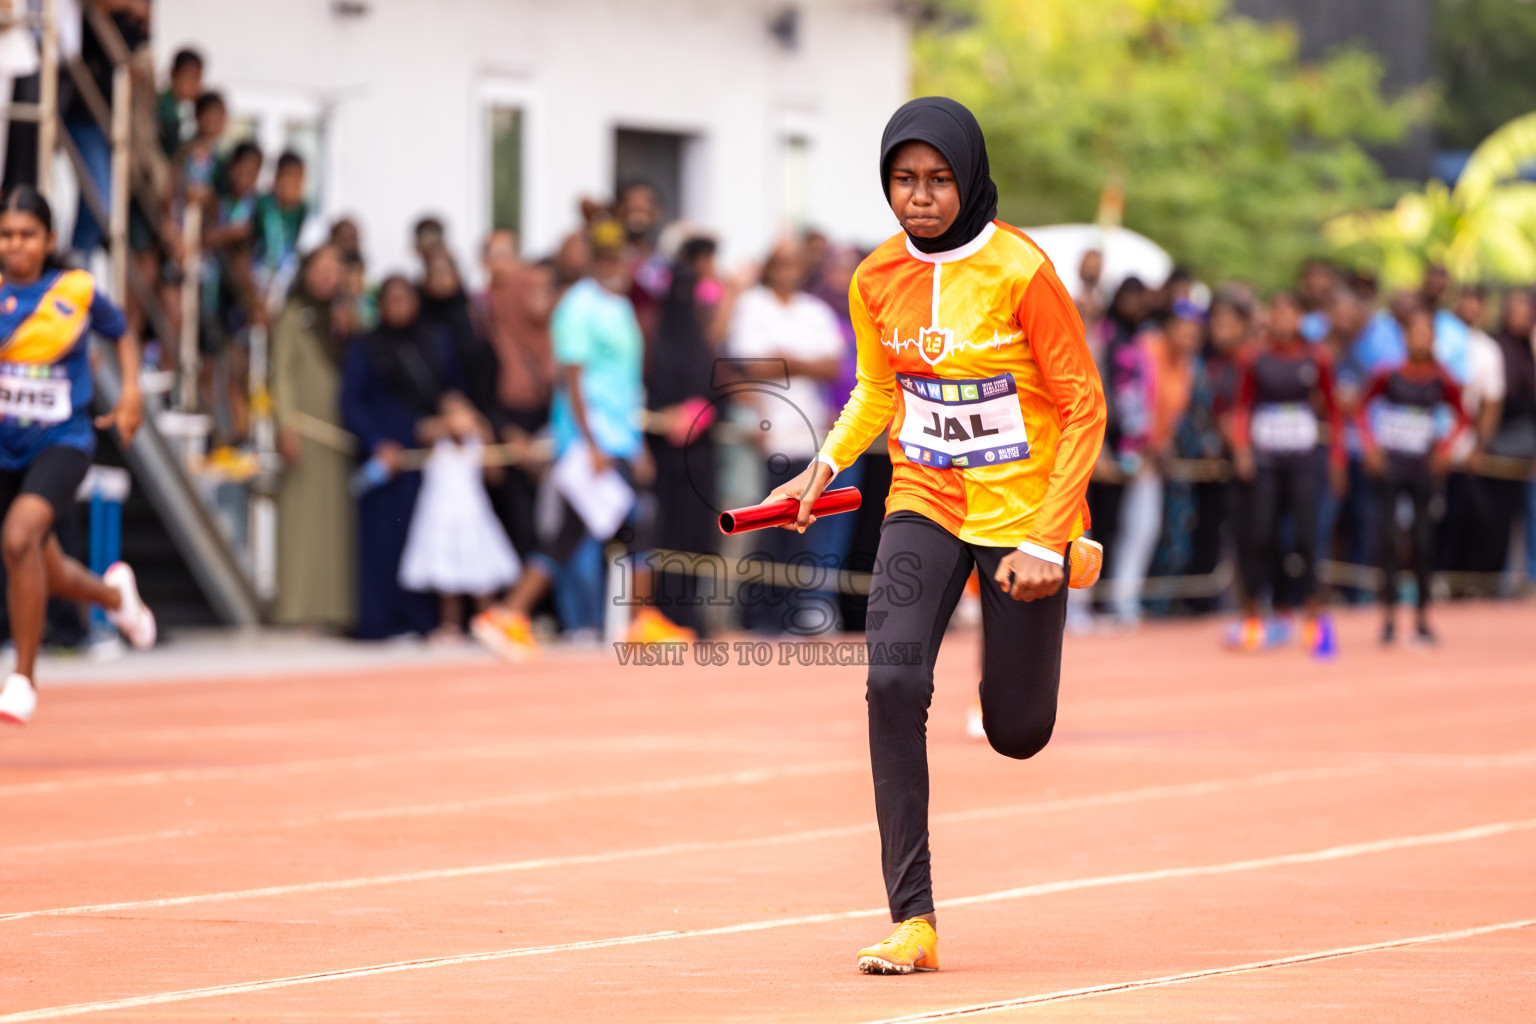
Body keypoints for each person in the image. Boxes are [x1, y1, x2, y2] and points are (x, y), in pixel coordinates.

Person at [768, 97, 1106, 973]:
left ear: (968, 178)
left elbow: (1082, 404)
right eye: (903, 180)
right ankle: (912, 918)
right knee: (890, 681)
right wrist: (825, 466)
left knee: (1019, 730)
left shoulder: (1021, 270)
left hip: (1023, 514)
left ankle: (1029, 627)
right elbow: (877, 391)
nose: (918, 197)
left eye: (937, 179)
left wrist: (1049, 534)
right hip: (923, 497)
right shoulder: (874, 277)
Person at [471, 218, 690, 659]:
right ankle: (638, 620)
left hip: (619, 438)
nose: (616, 264)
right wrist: (590, 444)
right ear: (593, 259)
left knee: (577, 533)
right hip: (591, 441)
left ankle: (510, 614)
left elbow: (625, 382)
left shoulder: (620, 306)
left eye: (621, 255)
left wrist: (638, 442)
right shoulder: (577, 306)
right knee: (639, 518)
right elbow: (572, 381)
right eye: (606, 256)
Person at [0, 187, 156, 726]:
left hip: (62, 442)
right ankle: (117, 600)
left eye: (27, 235)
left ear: (48, 239)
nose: (16, 245)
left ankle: (22, 677)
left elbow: (122, 334)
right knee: (48, 570)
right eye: (6, 235)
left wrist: (131, 391)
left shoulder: (75, 290)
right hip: (4, 448)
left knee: (18, 538)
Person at [727, 241, 846, 633]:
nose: (787, 271)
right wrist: (799, 364)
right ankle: (756, 616)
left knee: (800, 527)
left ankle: (789, 613)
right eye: (780, 263)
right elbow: (746, 364)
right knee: (763, 525)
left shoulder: (815, 310)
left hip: (807, 434)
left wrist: (786, 361)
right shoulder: (753, 305)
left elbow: (832, 366)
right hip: (765, 433)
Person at [341, 275, 457, 640]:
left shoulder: (434, 341)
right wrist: (377, 441)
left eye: (405, 298)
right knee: (380, 541)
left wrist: (445, 423)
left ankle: (418, 620)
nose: (398, 307)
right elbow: (351, 401)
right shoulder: (366, 346)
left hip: (424, 458)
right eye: (391, 300)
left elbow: (448, 390)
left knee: (420, 537)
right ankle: (380, 621)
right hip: (385, 459)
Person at [1229, 291, 1344, 655]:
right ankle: (1252, 613)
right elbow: (1241, 407)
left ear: (1300, 316)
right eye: (1276, 311)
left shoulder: (1317, 357)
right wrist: (1242, 448)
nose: (1282, 318)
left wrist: (1337, 458)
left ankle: (1314, 615)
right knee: (1261, 535)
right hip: (1265, 459)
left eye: (1289, 311)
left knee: (1308, 538)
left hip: (1303, 460)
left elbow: (1334, 411)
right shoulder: (1254, 356)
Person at [1357, 305, 1468, 644]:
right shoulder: (1387, 374)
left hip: (1422, 468)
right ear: (1405, 337)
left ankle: (1421, 616)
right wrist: (1371, 447)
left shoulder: (1441, 378)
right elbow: (1361, 410)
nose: (1420, 339)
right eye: (1414, 332)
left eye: (1426, 334)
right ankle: (1389, 616)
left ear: (1434, 339)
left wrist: (1445, 449)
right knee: (1389, 540)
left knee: (1422, 541)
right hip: (1392, 465)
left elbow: (1463, 415)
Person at [271, 245, 354, 629]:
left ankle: (339, 609)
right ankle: (299, 609)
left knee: (339, 525)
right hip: (305, 432)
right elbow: (282, 373)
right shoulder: (292, 315)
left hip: (343, 436)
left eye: (332, 268)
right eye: (317, 267)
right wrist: (285, 425)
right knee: (303, 522)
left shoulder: (348, 317)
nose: (324, 275)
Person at [398, 392, 521, 640]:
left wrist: (484, 433)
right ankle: (450, 626)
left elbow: (495, 476)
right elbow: (422, 433)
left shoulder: (476, 440)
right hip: (441, 514)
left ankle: (487, 622)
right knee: (446, 575)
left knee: (481, 571)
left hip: (472, 513)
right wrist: (447, 424)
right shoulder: (436, 438)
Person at [474, 228, 554, 557]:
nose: (539, 298)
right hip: (507, 439)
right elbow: (483, 393)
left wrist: (546, 440)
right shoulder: (488, 331)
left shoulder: (557, 335)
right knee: (514, 528)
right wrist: (507, 435)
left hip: (545, 441)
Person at [254, 151, 309, 308]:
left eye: (300, 178)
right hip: (259, 274)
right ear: (277, 177)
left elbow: (294, 242)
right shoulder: (263, 204)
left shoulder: (301, 209)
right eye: (290, 176)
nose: (295, 183)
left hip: (284, 276)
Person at [156, 48, 203, 160]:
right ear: (173, 74)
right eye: (188, 76)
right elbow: (170, 149)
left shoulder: (185, 107)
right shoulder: (165, 106)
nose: (193, 83)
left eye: (197, 77)